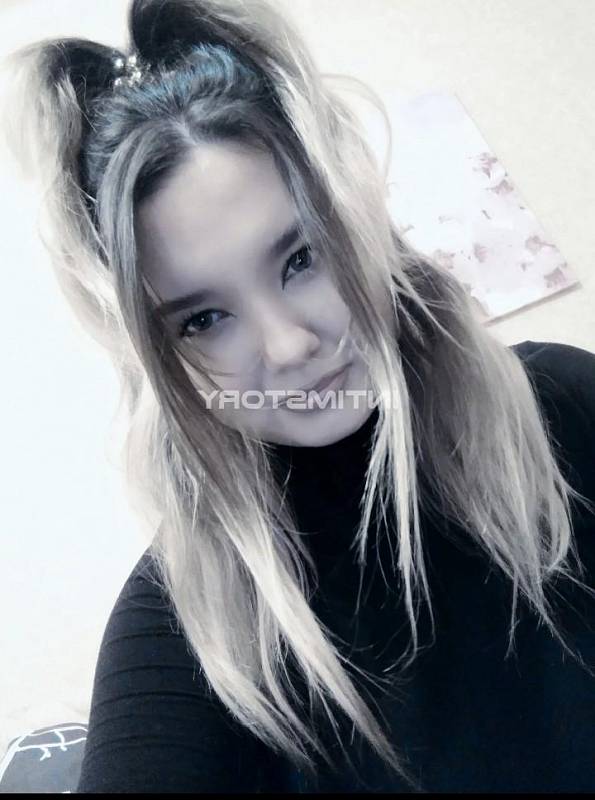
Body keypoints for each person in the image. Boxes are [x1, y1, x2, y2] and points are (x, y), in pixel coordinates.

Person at [3, 0, 595, 792]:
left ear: (352, 224)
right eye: (203, 319)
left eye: (300, 258)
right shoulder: (191, 619)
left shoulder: (560, 403)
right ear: (159, 355)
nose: (288, 345)